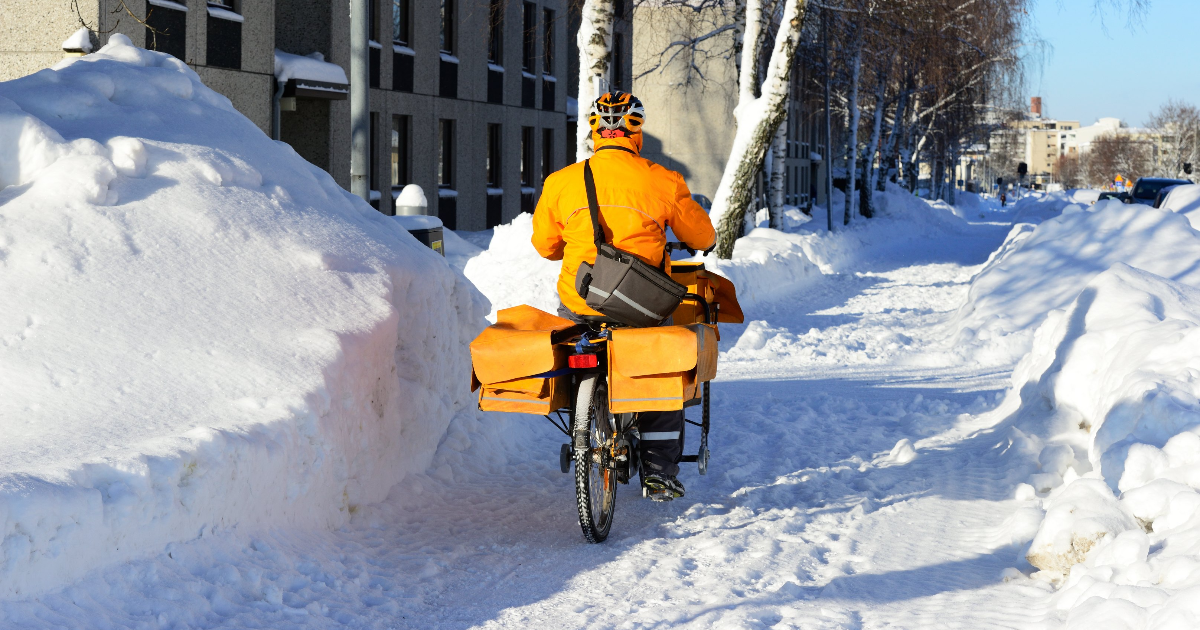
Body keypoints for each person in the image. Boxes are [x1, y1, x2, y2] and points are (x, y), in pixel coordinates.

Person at [531, 91, 715, 501]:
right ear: (636, 133)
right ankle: (658, 471)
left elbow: (545, 246)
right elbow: (702, 236)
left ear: (595, 132)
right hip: (641, 307)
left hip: (581, 301)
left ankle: (585, 418)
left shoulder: (561, 182)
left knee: (579, 338)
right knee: (658, 370)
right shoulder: (663, 180)